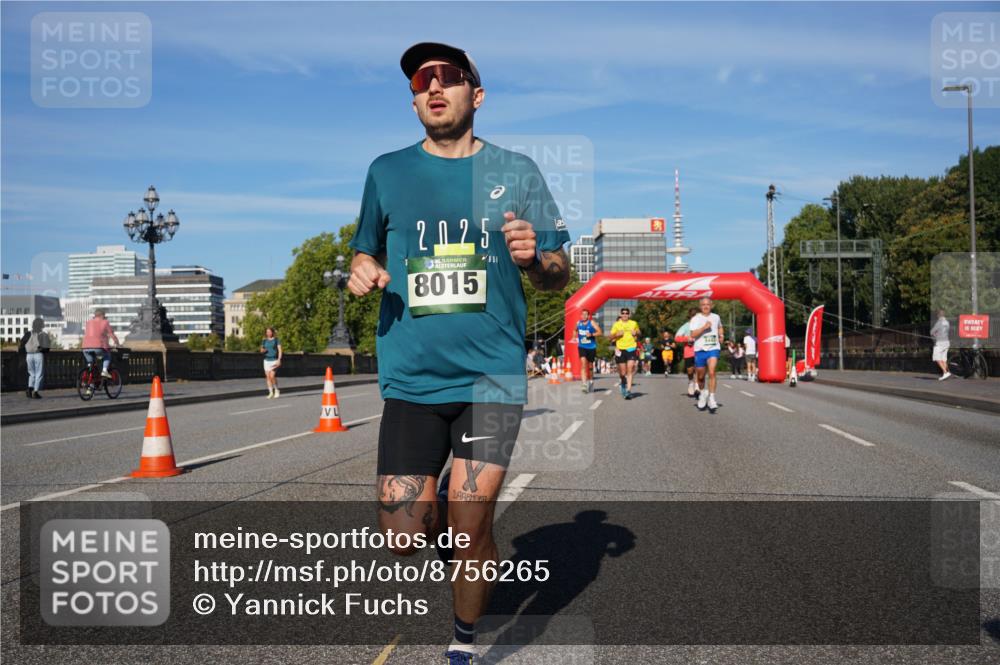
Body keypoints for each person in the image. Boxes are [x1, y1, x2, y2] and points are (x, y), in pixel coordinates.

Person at [347, 41, 571, 665]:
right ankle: (454, 523)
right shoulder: (386, 171)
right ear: (414, 97)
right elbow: (364, 251)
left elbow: (559, 268)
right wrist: (361, 269)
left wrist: (537, 257)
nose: (433, 87)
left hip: (491, 377)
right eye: (422, 80)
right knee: (400, 537)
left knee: (469, 523)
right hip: (412, 380)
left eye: (448, 78)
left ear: (477, 92)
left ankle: (463, 644)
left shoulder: (518, 171)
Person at [691, 297, 724, 413]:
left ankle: (712, 397)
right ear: (700, 306)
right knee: (700, 377)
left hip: (713, 348)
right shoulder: (696, 319)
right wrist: (704, 328)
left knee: (712, 372)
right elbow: (693, 334)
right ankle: (702, 393)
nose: (705, 307)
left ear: (711, 305)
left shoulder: (716, 317)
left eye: (708, 304)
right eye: (703, 305)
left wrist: (721, 335)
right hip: (700, 349)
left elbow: (720, 327)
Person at [81, 309, 120, 393]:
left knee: (91, 367)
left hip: (85, 347)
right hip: (98, 347)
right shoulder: (105, 322)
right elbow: (111, 334)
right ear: (102, 315)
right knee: (107, 355)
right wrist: (117, 343)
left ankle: (89, 388)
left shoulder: (88, 322)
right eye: (104, 316)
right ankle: (105, 370)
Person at [609, 307, 641, 399]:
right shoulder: (616, 324)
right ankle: (623, 383)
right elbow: (610, 338)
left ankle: (628, 391)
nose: (625, 315)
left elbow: (640, 333)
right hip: (620, 349)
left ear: (629, 315)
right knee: (623, 373)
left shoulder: (633, 323)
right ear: (620, 314)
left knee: (630, 369)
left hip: (631, 348)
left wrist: (636, 333)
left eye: (627, 313)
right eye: (623, 313)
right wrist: (616, 335)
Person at [18, 317, 51, 399]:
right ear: (41, 325)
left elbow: (21, 344)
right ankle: (35, 392)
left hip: (29, 355)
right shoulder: (43, 334)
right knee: (39, 374)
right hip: (38, 354)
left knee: (31, 373)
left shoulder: (28, 333)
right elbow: (47, 348)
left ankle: (29, 389)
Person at [673, 307, 699, 396]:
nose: (694, 318)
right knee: (690, 370)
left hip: (700, 350)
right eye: (692, 316)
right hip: (689, 351)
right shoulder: (686, 326)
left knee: (698, 368)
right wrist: (687, 338)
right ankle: (691, 382)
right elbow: (676, 338)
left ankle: (697, 385)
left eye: (696, 316)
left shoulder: (702, 326)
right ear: (690, 316)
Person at [576, 308, 602, 393]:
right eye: (582, 314)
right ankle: (584, 384)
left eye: (585, 314)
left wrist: (591, 334)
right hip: (582, 346)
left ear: (588, 316)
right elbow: (574, 330)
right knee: (583, 364)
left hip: (591, 347)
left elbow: (600, 332)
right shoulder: (578, 323)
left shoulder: (592, 323)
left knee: (590, 366)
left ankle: (591, 382)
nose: (584, 316)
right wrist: (574, 337)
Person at [260, 327, 282, 398]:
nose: (268, 333)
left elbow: (280, 350)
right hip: (266, 360)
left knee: (272, 376)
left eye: (269, 332)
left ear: (272, 332)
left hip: (274, 360)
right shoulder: (264, 340)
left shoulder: (276, 340)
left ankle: (276, 390)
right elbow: (261, 350)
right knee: (268, 377)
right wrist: (263, 350)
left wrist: (279, 359)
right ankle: (270, 392)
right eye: (267, 332)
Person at [931, 309, 951, 380]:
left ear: (938, 315)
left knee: (936, 357)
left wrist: (935, 336)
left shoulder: (939, 322)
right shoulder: (947, 322)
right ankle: (945, 373)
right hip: (946, 342)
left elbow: (932, 332)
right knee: (943, 359)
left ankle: (945, 372)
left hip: (940, 343)